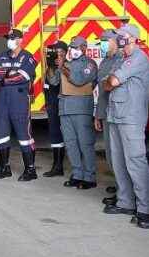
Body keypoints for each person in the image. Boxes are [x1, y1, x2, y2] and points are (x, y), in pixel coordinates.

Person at [103, 24, 149, 229]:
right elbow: (107, 82)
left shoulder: (138, 58)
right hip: (115, 115)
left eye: (121, 36)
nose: (118, 39)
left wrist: (112, 81)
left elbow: (112, 81)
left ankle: (145, 209)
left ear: (132, 38)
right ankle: (126, 202)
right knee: (118, 161)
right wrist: (111, 81)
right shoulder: (121, 58)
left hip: (131, 117)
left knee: (136, 162)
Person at [0, 29, 37, 181]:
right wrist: (10, 73)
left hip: (19, 101)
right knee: (1, 134)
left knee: (24, 135)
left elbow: (22, 77)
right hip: (3, 101)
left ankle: (30, 170)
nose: (9, 40)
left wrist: (5, 77)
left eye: (12, 38)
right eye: (8, 38)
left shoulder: (27, 57)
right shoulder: (3, 55)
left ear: (20, 40)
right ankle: (4, 168)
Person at [58, 36, 98, 190]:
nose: (73, 50)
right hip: (65, 108)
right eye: (71, 47)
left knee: (85, 143)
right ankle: (77, 174)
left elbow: (79, 80)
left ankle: (89, 177)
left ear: (84, 48)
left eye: (76, 47)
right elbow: (55, 81)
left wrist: (64, 69)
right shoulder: (66, 63)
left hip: (81, 109)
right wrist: (53, 66)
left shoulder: (89, 64)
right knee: (70, 143)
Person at [95, 29, 123, 205]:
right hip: (106, 111)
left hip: (118, 113)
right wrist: (98, 115)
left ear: (115, 41)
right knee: (111, 154)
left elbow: (111, 84)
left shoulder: (121, 60)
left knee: (120, 154)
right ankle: (120, 184)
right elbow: (101, 90)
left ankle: (124, 190)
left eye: (106, 40)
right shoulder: (105, 61)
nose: (104, 44)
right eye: (102, 41)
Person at [43, 41, 68, 177]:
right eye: (54, 52)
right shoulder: (51, 66)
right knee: (54, 135)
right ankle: (57, 166)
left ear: (65, 52)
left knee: (68, 136)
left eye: (60, 52)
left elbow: (54, 81)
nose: (57, 55)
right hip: (52, 105)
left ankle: (61, 166)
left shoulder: (66, 66)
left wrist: (55, 67)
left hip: (63, 106)